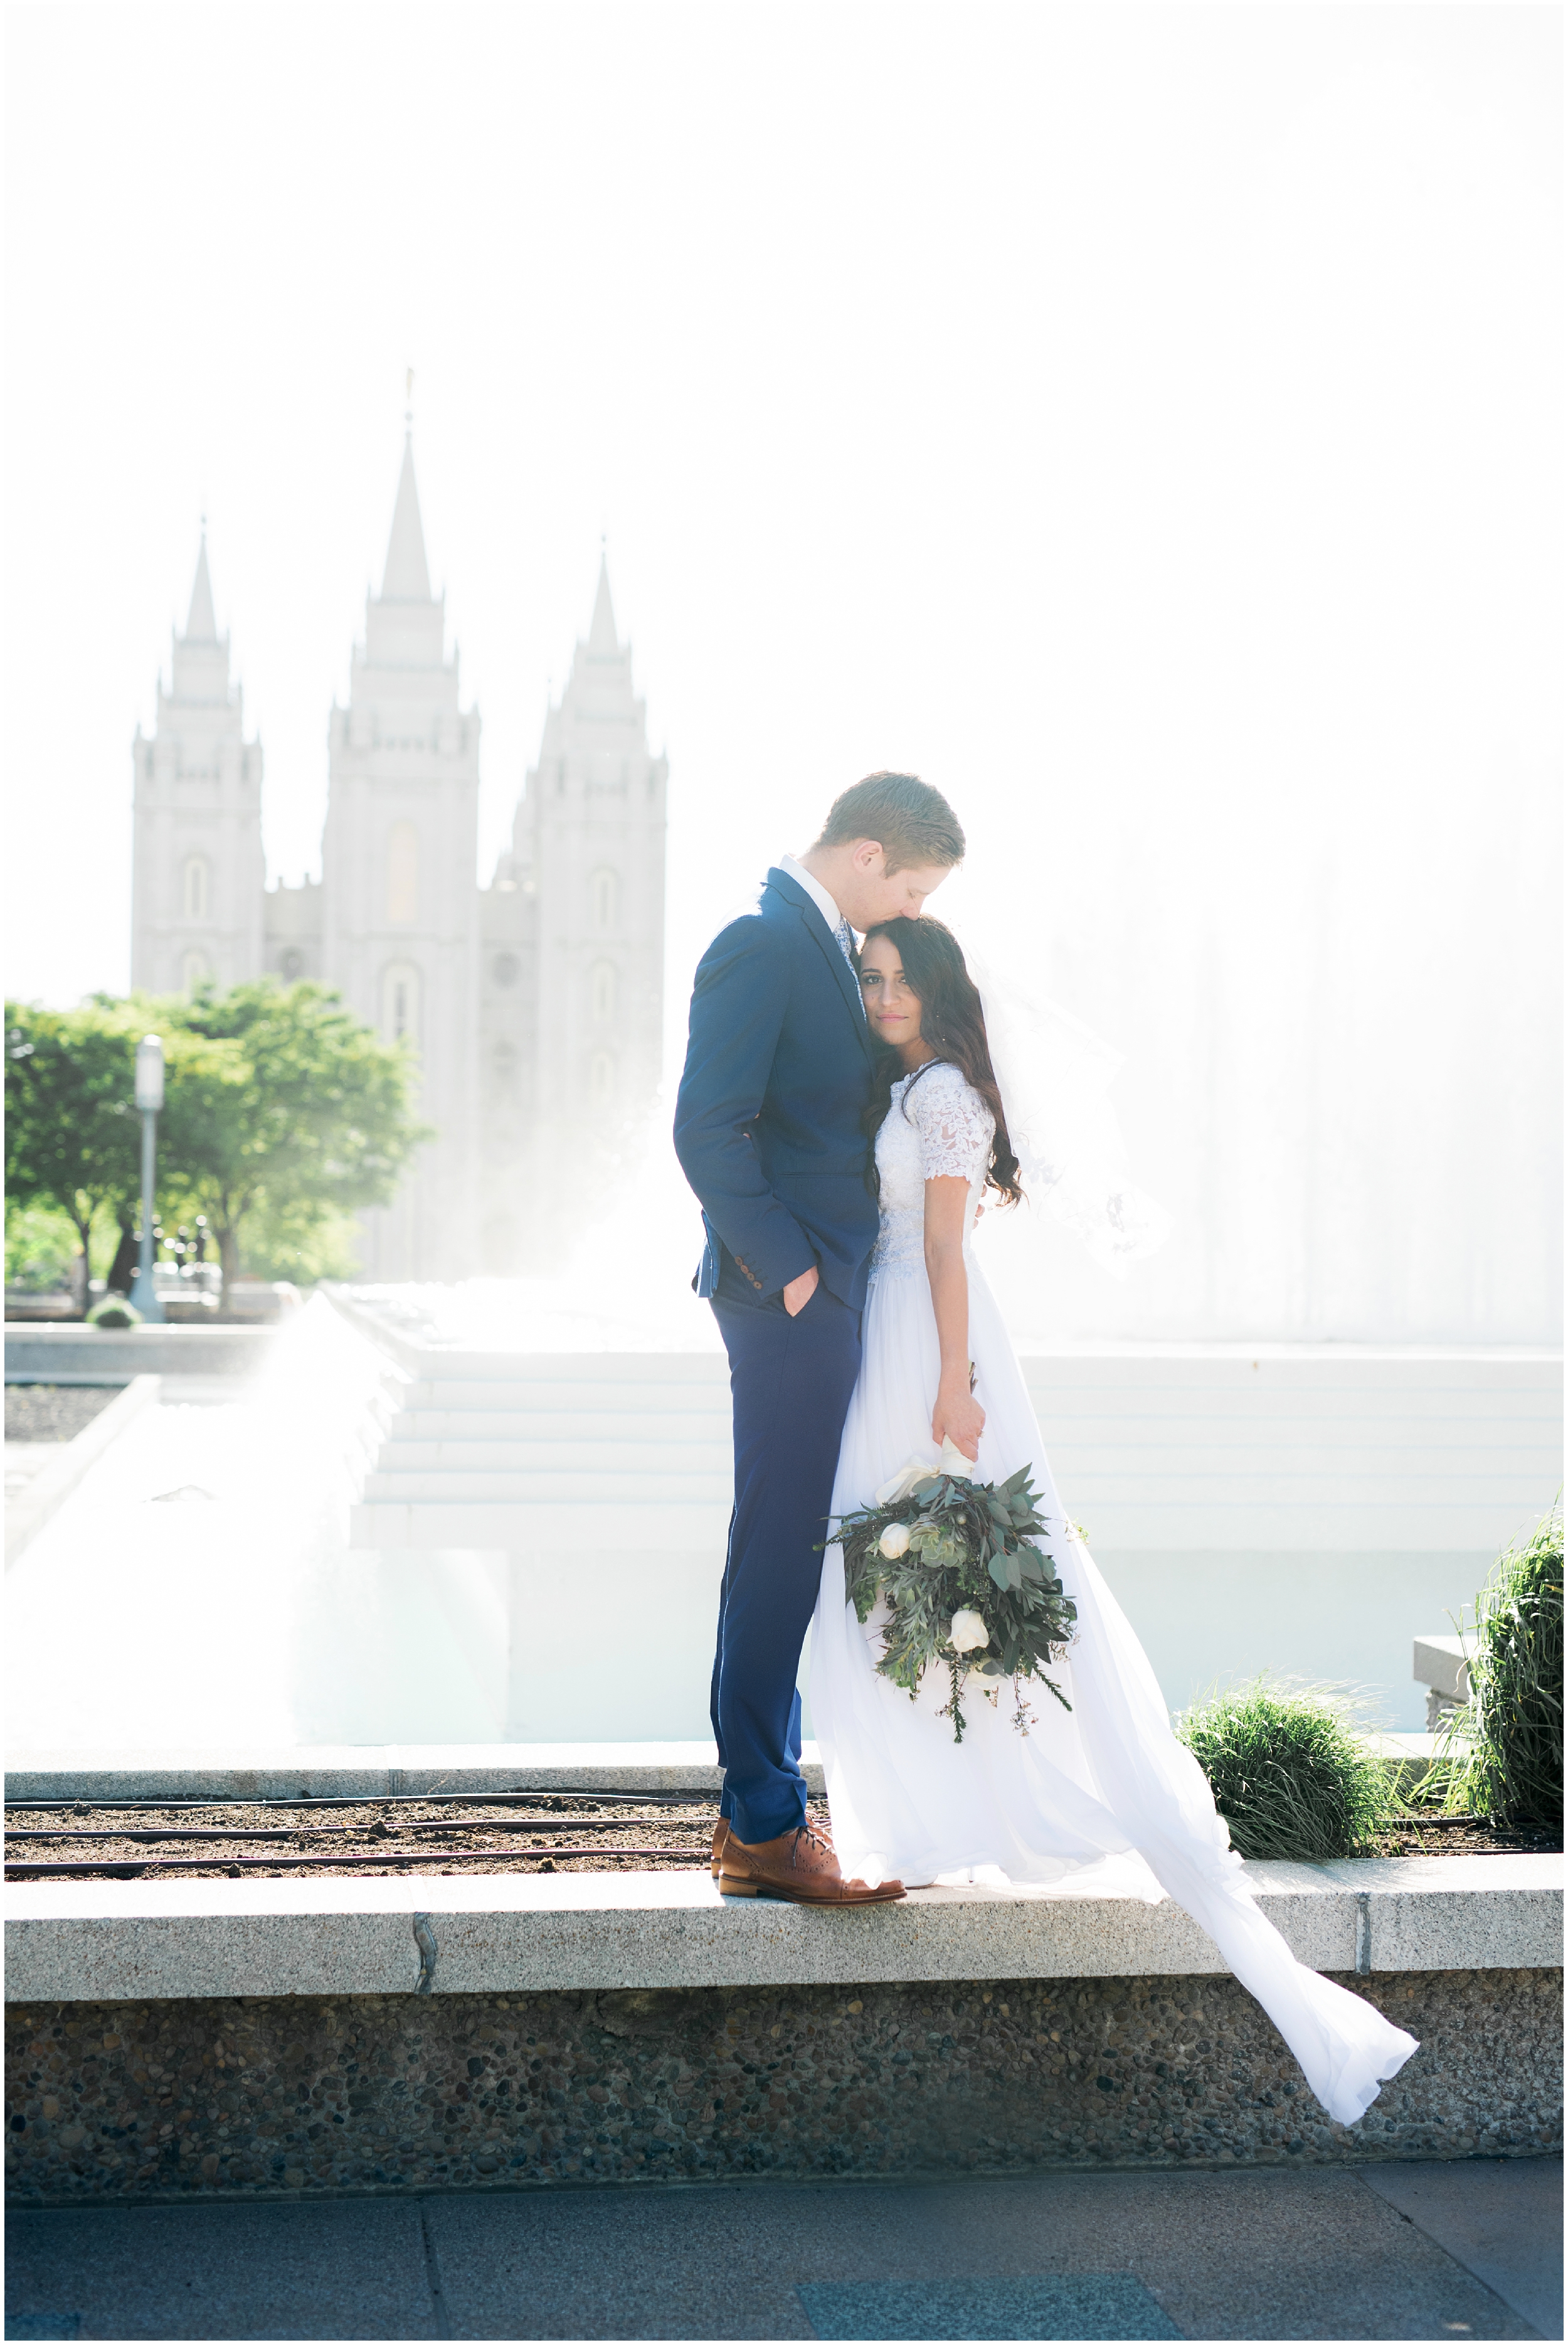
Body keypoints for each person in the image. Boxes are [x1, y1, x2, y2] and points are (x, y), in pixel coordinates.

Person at [805, 912, 1419, 2124]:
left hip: (924, 1339)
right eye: (867, 979)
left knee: (945, 1576)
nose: (879, 994)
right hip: (892, 1331)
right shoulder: (915, 1081)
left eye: (895, 979)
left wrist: (949, 1385)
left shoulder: (943, 1100)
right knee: (908, 1586)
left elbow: (941, 1249)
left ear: (935, 988)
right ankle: (926, 1811)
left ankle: (994, 1806)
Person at [673, 772, 964, 1904]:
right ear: (870, 856)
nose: (919, 910)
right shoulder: (762, 937)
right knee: (778, 1548)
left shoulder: (820, 938)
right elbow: (707, 1128)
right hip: (789, 1295)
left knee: (791, 1545)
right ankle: (760, 1822)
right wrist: (792, 1273)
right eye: (919, 886)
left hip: (828, 1294)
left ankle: (767, 1810)